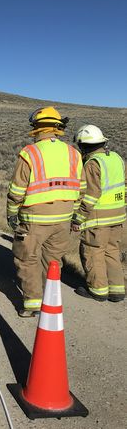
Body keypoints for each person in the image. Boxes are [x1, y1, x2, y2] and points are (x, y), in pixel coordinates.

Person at [7, 107, 85, 317]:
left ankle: (32, 304)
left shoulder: (30, 153)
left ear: (37, 127)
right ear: (57, 127)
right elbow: (82, 187)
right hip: (63, 220)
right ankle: (48, 303)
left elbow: (17, 189)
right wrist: (74, 213)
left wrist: (12, 212)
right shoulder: (74, 153)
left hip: (35, 219)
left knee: (28, 259)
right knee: (52, 261)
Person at [71, 124, 126, 302]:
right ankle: (117, 290)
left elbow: (91, 195)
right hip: (118, 216)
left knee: (93, 252)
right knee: (112, 251)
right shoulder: (117, 158)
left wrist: (78, 218)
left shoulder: (92, 163)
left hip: (97, 218)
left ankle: (98, 290)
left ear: (84, 146)